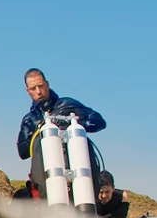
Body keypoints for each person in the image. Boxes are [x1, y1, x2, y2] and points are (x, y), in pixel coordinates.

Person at [15, 68, 107, 197]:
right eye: (33, 88)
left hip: (78, 170)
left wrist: (76, 124)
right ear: (27, 91)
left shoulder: (67, 105)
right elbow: (22, 152)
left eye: (41, 86)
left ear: (47, 84)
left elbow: (99, 121)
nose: (38, 91)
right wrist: (39, 129)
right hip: (48, 176)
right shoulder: (29, 119)